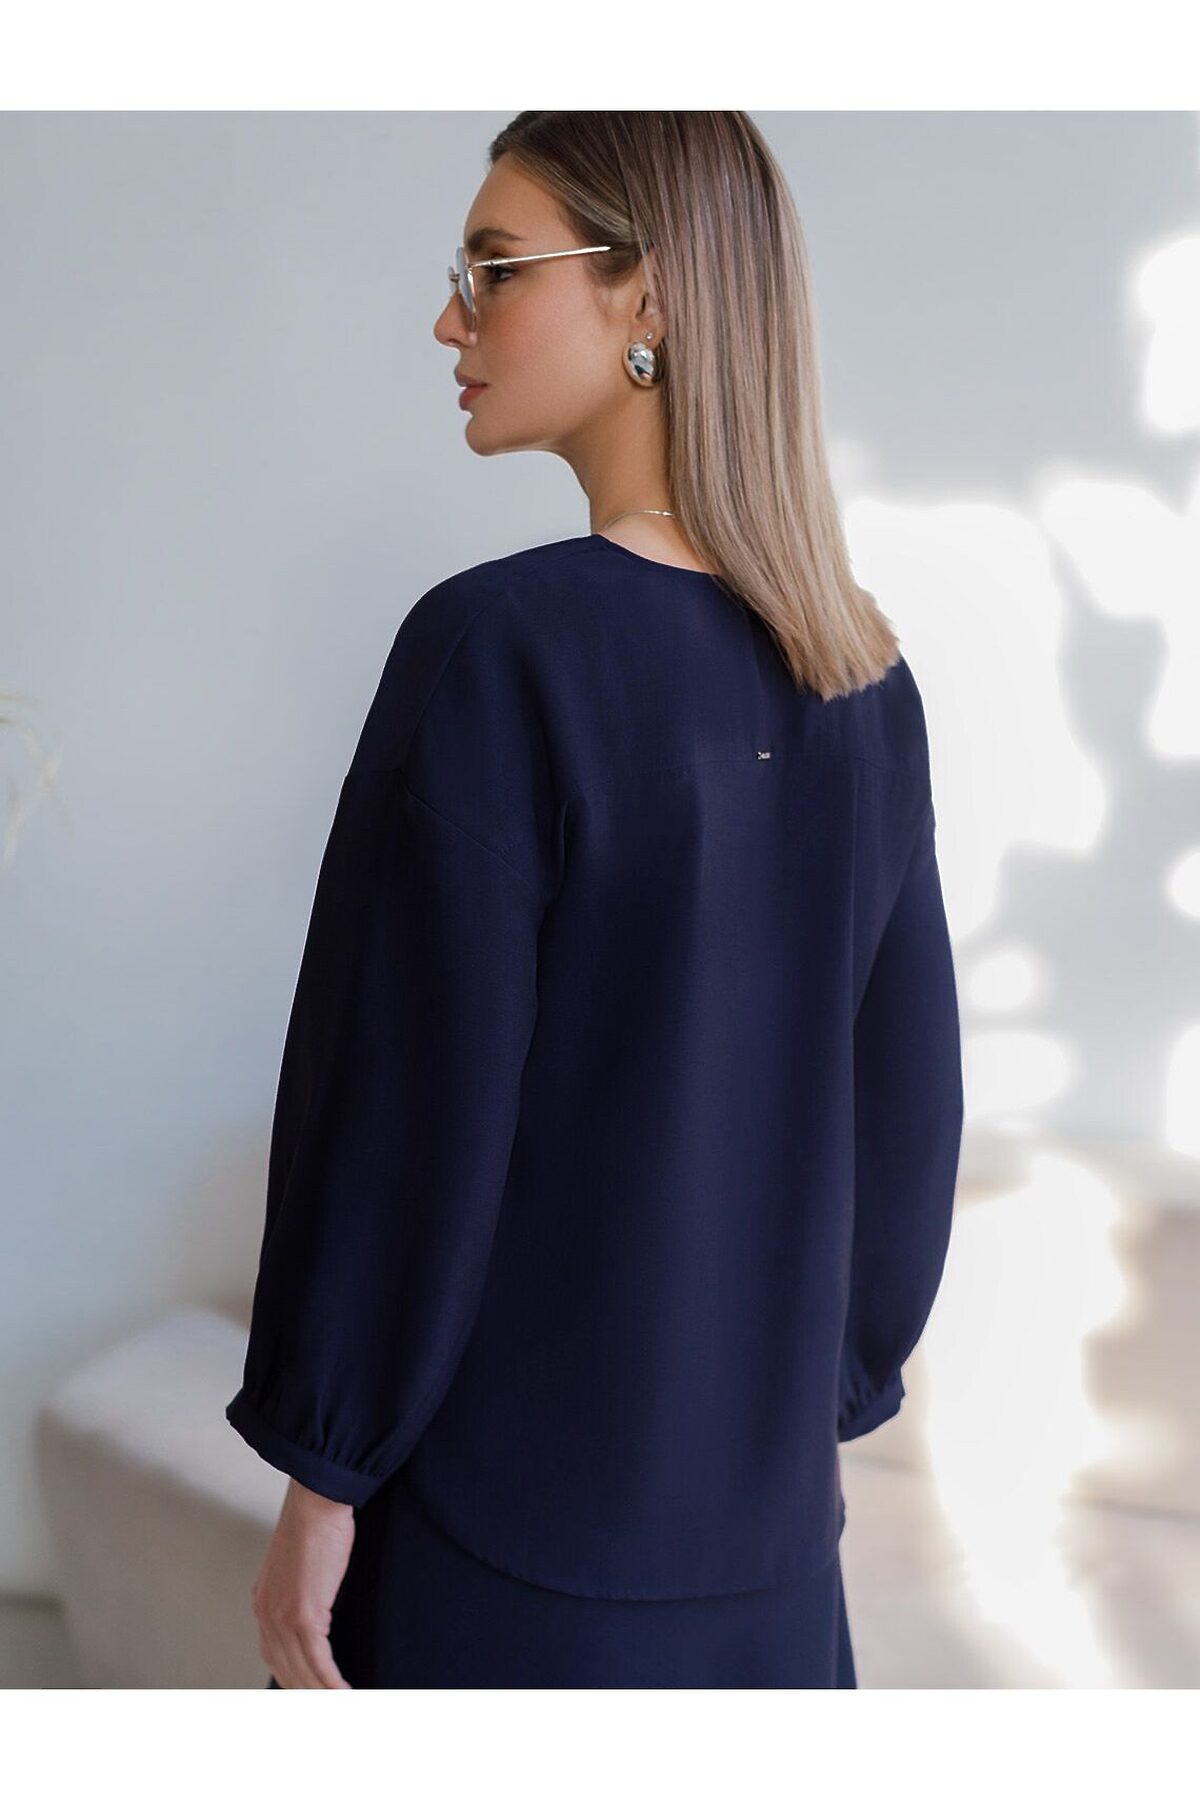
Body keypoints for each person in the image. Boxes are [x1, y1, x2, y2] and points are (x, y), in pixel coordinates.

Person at [226, 111, 964, 1690]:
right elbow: (906, 1127)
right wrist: (804, 1412)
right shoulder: (868, 685)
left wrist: (322, 1471)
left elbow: (405, 1116)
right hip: (773, 1568)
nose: (450, 322)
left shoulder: (499, 654)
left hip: (499, 1556)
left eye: (494, 269)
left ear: (652, 295)